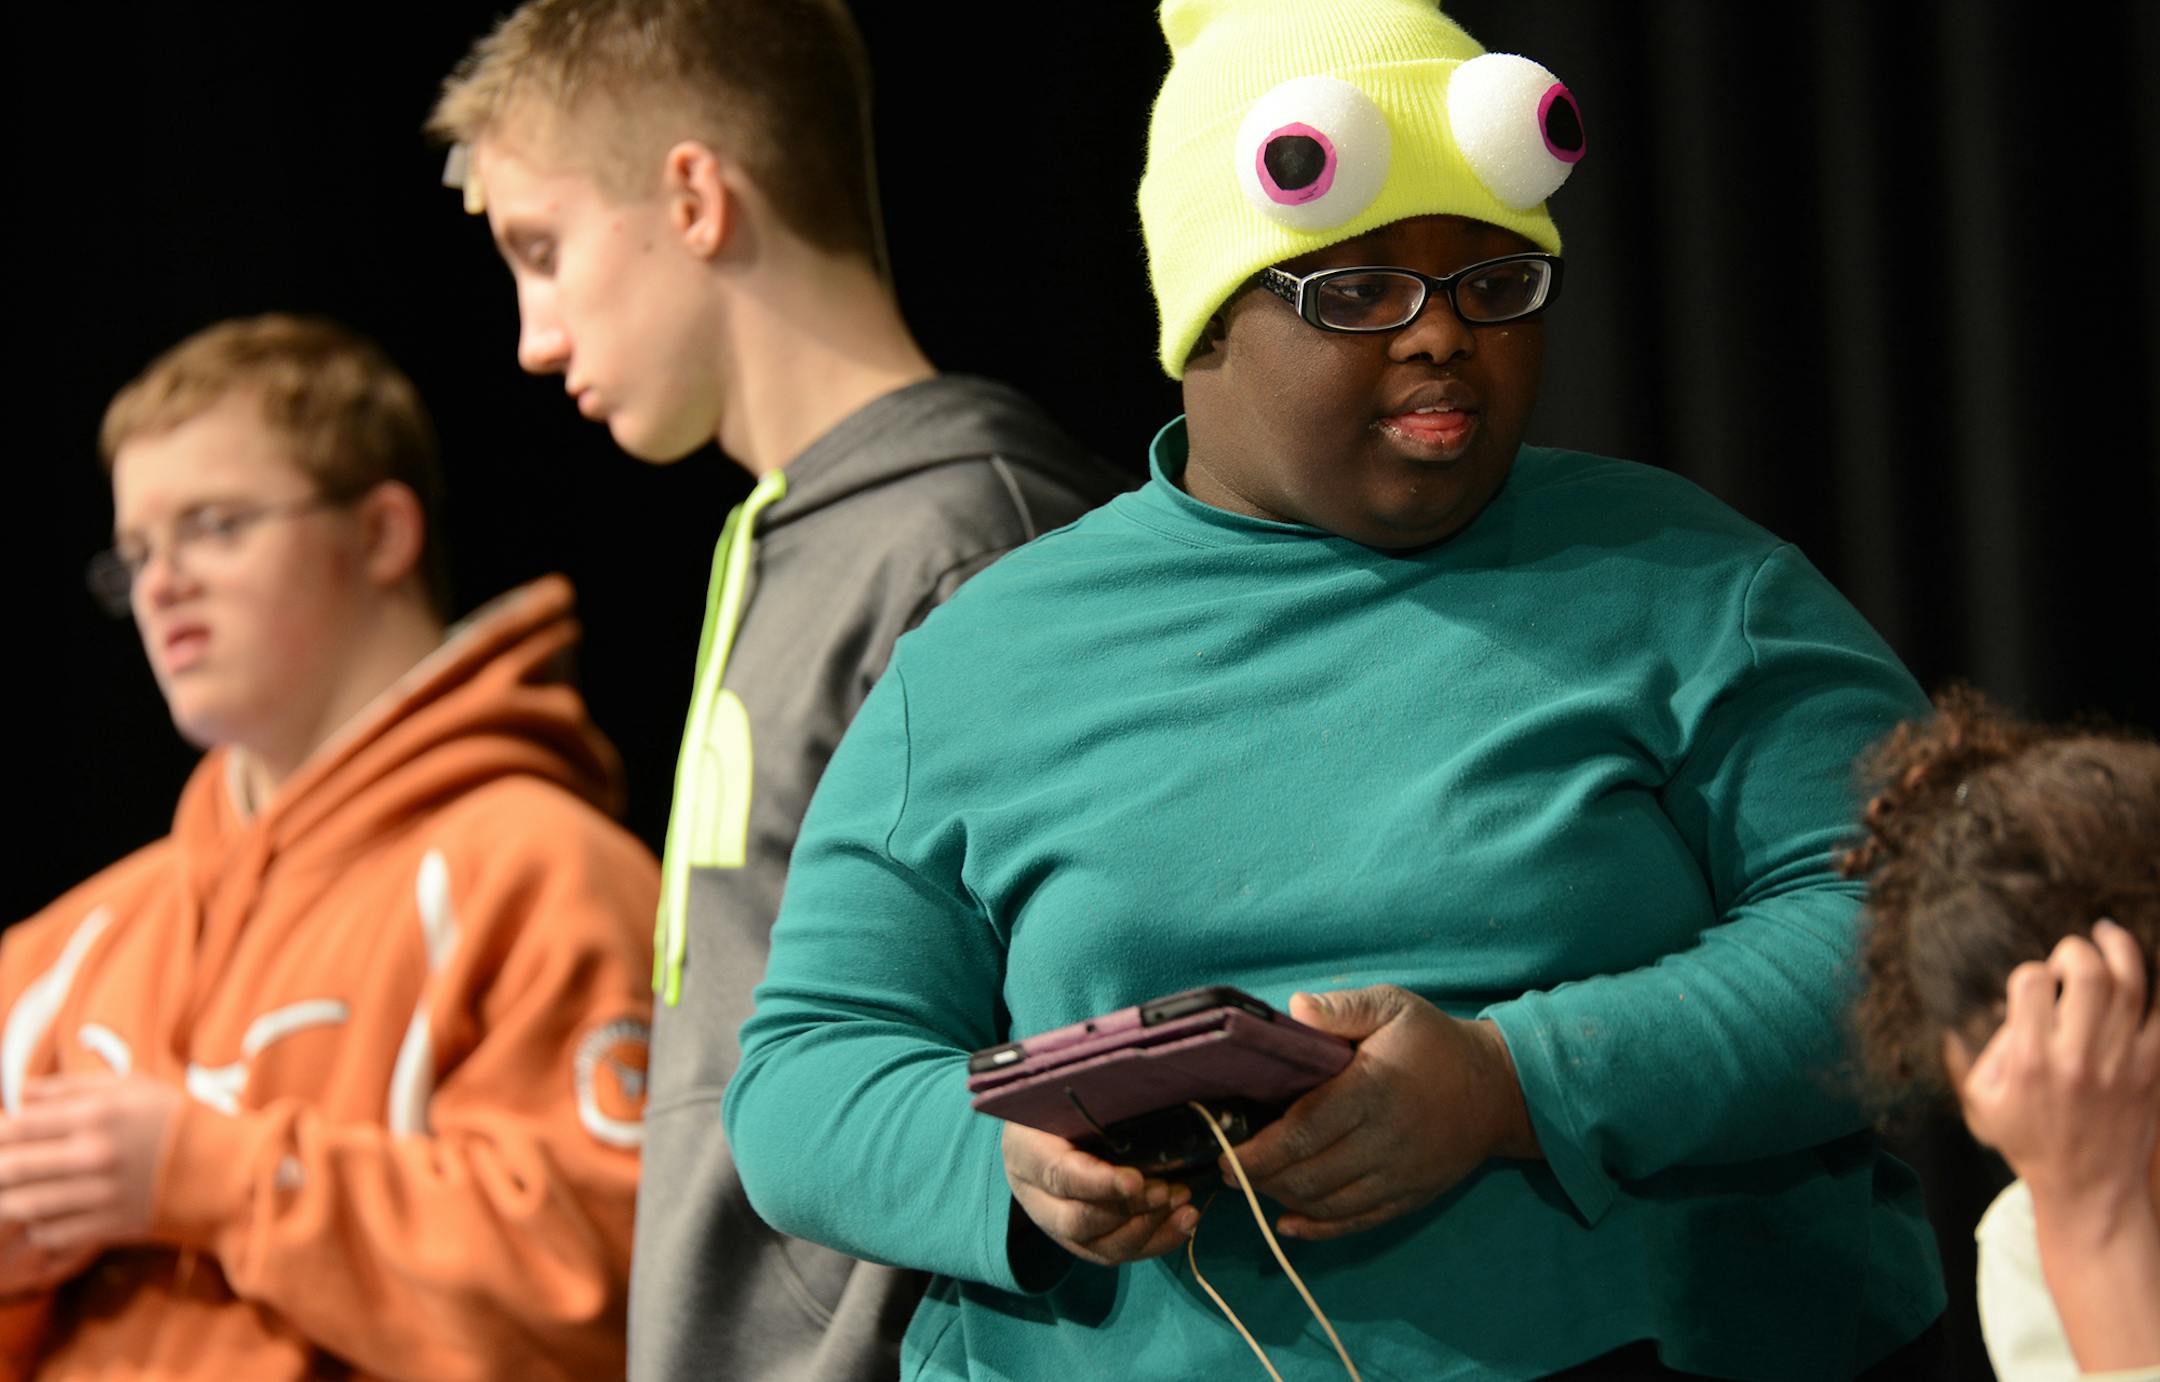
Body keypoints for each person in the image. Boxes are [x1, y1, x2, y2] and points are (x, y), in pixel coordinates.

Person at [723, 1, 1953, 1377]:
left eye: (1493, 283)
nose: (1441, 336)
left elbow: (1917, 914)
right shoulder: (981, 657)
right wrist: (1005, 1163)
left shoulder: (1682, 576)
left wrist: (1516, 1085)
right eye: (1356, 290)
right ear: (1205, 327)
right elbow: (803, 1074)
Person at [427, 4, 1125, 1378]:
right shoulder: (788, 540)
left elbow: (1069, 1088)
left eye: (543, 251)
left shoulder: (972, 546)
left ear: (693, 196)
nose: (531, 334)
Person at [0, 315, 658, 1380]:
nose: (162, 582)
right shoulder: (67, 944)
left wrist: (212, 1175)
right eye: (137, 553)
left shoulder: (543, 871)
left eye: (213, 524)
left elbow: (610, 1286)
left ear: (382, 533)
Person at [1842, 689, 2160, 1382]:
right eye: (2030, 1139)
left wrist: (2096, 1231)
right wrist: (2086, 1222)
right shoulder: (2032, 1241)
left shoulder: (2073, 1224)